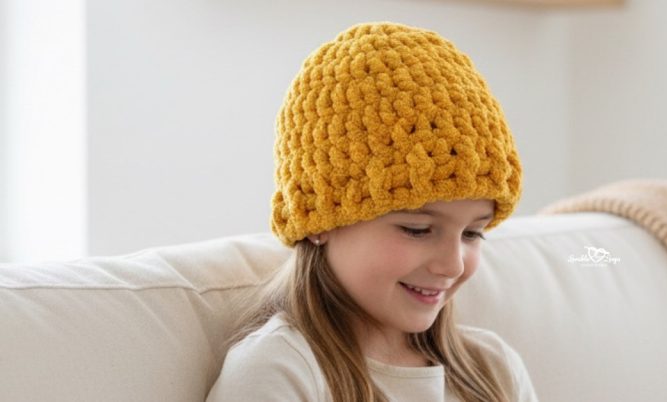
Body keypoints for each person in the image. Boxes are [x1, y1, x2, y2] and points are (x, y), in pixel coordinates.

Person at [206, 21, 539, 402]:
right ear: (320, 222)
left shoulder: (493, 369)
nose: (453, 265)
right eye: (417, 229)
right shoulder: (279, 371)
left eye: (472, 233)